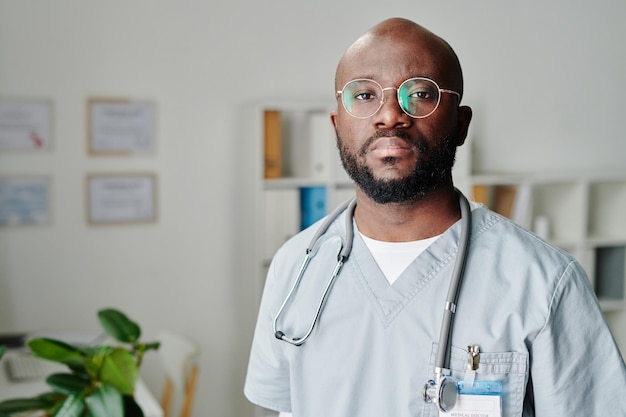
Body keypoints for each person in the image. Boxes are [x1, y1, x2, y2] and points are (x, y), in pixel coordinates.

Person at [244, 17, 626, 417]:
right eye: (363, 95)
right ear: (338, 127)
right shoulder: (295, 267)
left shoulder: (544, 282)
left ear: (461, 125)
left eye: (421, 93)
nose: (390, 115)